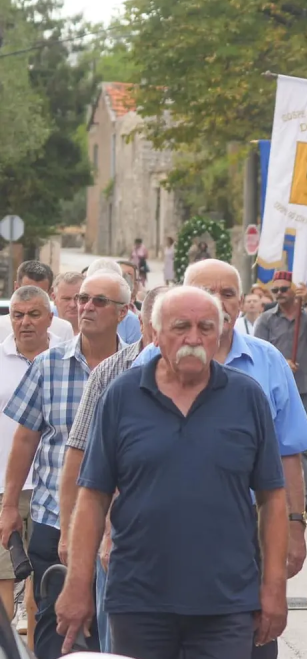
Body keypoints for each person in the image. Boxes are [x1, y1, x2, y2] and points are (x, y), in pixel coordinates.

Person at [55, 287, 288, 658]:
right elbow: (93, 495)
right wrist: (78, 583)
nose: (194, 338)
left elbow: (273, 498)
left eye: (206, 328)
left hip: (226, 602)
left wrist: (274, 587)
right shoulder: (121, 395)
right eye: (181, 327)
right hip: (138, 600)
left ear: (221, 333)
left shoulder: (247, 398)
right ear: (155, 333)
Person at [131, 259, 307, 659]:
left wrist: (295, 527)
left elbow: (289, 454)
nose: (218, 302)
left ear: (242, 300)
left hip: (247, 535)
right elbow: (121, 460)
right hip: (161, 535)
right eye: (207, 292)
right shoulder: (147, 363)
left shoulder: (268, 364)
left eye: (228, 293)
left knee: (254, 642)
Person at [1, 271, 131, 657]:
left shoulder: (138, 367)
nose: (85, 307)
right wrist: (8, 506)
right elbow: (25, 440)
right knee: (56, 627)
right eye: (82, 299)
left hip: (120, 524)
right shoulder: (49, 364)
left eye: (99, 301)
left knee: (113, 627)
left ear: (123, 312)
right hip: (54, 518)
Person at [58, 286, 168, 655]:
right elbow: (80, 462)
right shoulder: (111, 376)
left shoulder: (214, 382)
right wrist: (70, 536)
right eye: (166, 326)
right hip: (120, 544)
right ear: (148, 326)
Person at [0, 287, 54, 632]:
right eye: (18, 315)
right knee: (4, 577)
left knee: (42, 586)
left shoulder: (64, 362)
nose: (25, 322)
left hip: (50, 487)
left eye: (34, 314)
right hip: (5, 487)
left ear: (50, 318)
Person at [254, 270, 307, 516]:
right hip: (275, 388)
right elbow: (259, 352)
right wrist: (281, 361)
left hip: (304, 387)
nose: (279, 294)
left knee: (300, 445)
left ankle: (305, 500)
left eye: (284, 289)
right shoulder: (266, 319)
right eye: (274, 290)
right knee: (274, 444)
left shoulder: (306, 316)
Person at [0, 262, 74, 343]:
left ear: (50, 292)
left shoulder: (63, 329)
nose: (25, 322)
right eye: (27, 292)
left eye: (39, 293)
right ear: (16, 287)